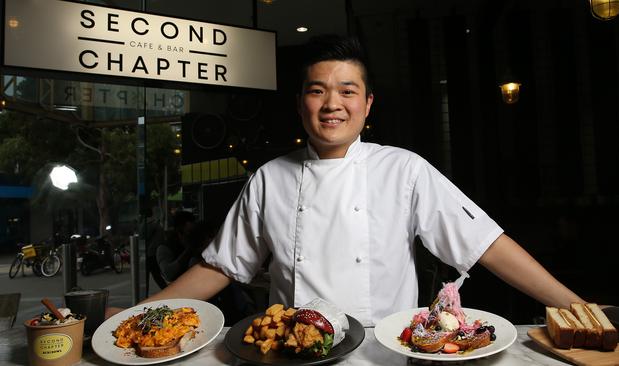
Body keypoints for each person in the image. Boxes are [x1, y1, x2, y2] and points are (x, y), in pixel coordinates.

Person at [108, 34, 584, 326]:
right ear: (301, 105)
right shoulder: (270, 178)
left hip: (385, 355)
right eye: (317, 91)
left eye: (347, 91)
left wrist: (575, 304)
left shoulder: (404, 169)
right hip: (293, 352)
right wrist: (134, 316)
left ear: (368, 104)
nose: (332, 103)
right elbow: (221, 267)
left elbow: (484, 244)